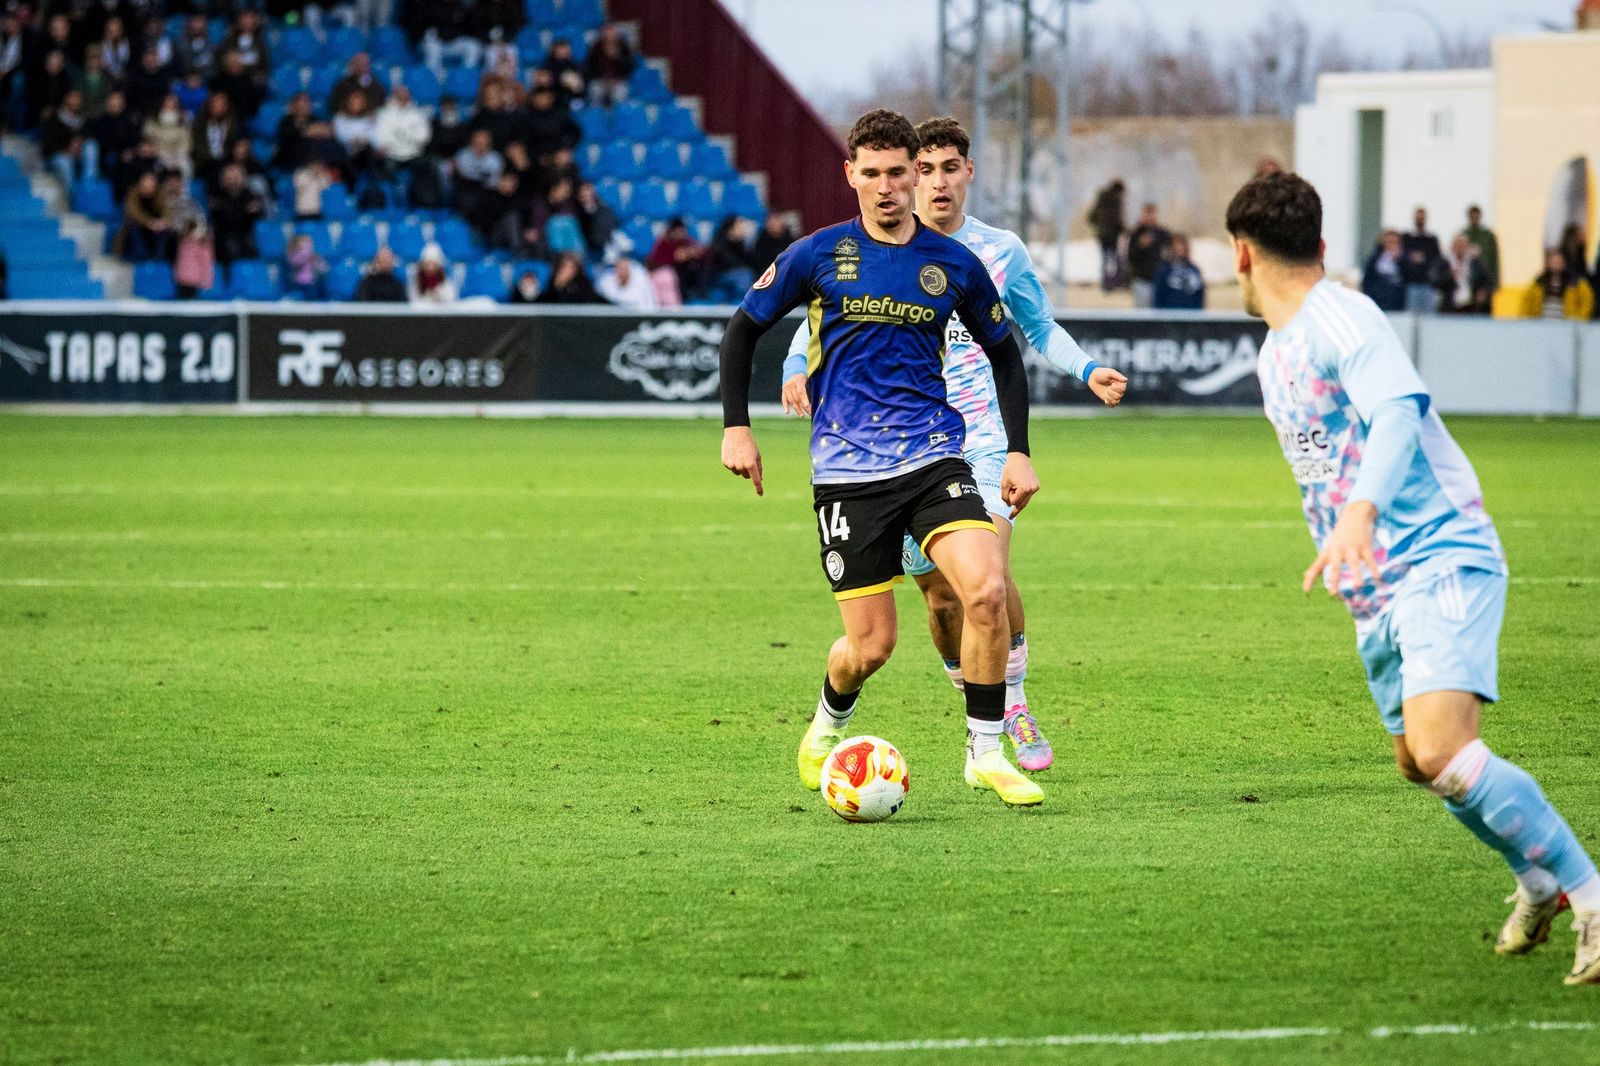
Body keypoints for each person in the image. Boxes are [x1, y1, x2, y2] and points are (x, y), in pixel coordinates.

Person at [1225, 169, 1600, 987]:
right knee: (1418, 761)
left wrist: (1360, 512)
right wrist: (1348, 534)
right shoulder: (1274, 356)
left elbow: (1397, 408)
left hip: (1438, 553)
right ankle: (1538, 881)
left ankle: (1589, 892)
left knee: (1443, 746)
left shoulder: (1342, 315)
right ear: (1317, 244)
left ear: (1241, 254)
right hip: (1373, 591)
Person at [719, 109, 1048, 807]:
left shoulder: (952, 262)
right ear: (852, 176)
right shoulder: (816, 254)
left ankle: (985, 752)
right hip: (847, 477)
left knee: (985, 590)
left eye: (900, 171)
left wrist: (1017, 452)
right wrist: (736, 428)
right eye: (872, 173)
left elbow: (1006, 357)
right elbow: (743, 330)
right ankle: (827, 721)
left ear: (914, 171)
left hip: (935, 460)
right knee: (868, 649)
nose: (889, 186)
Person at [781, 115, 1127, 774]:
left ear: (968, 172)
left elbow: (1037, 326)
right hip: (901, 447)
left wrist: (1086, 369)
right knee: (940, 597)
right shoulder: (870, 253)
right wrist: (794, 371)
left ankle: (1012, 706)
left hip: (985, 438)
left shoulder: (998, 252)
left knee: (987, 578)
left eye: (949, 168)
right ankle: (973, 691)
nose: (937, 183)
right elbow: (815, 327)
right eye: (927, 169)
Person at [209, 162, 266, 269]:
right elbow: (224, 216)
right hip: (225, 237)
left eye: (236, 176)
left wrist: (238, 210)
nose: (233, 180)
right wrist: (244, 210)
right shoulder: (217, 195)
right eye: (230, 177)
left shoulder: (250, 194)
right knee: (231, 247)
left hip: (246, 236)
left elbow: (259, 213)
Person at [1520, 249, 1594, 321]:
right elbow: (1527, 303)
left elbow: (1587, 301)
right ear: (1548, 263)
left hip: (1567, 325)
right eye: (1554, 262)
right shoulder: (1538, 282)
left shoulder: (1575, 282)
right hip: (1542, 325)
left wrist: (1579, 319)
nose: (1557, 264)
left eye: (1559, 262)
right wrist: (1528, 321)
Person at [1126, 201, 1171, 309]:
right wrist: (1140, 246)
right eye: (1147, 213)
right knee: (1142, 313)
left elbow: (1171, 251)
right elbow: (1130, 257)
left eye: (1152, 213)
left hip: (1159, 279)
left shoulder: (1163, 233)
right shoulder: (1136, 233)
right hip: (1142, 280)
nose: (1150, 217)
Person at [1399, 206, 1443, 313]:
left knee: (1429, 316)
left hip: (1427, 283)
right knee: (1411, 315)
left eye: (1422, 217)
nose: (1420, 220)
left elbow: (1437, 258)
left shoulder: (1432, 239)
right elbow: (1401, 256)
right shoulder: (1406, 238)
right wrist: (1411, 257)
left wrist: (1424, 258)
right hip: (1411, 283)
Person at [1087, 178, 1125, 291]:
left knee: (1104, 260)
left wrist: (1098, 229)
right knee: (1112, 260)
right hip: (1112, 235)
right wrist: (1123, 230)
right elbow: (1117, 219)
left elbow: (1092, 217)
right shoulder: (1116, 201)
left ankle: (1104, 284)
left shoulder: (1101, 199)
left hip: (1103, 235)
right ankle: (1111, 283)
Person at [583, 23, 635, 106]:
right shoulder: (595, 47)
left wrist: (618, 57)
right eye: (606, 31)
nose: (609, 34)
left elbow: (629, 66)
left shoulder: (623, 47)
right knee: (595, 90)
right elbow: (589, 67)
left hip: (618, 81)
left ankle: (618, 115)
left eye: (611, 31)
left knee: (620, 92)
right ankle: (597, 115)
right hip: (599, 80)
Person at [1440, 234, 1491, 315]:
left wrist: (1483, 291)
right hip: (1451, 307)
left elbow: (1487, 280)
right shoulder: (1445, 262)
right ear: (1453, 247)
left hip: (1471, 306)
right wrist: (1449, 274)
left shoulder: (1475, 263)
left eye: (1463, 245)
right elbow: (1436, 280)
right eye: (1458, 245)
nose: (1460, 248)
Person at [1152, 233, 1205, 310]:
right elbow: (1158, 296)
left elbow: (1199, 294)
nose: (1179, 250)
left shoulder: (1194, 270)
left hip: (1191, 314)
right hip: (1170, 315)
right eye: (1176, 247)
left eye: (1182, 247)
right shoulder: (1164, 270)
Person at [1360, 230, 1405, 312]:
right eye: (1389, 241)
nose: (1391, 245)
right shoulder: (1375, 257)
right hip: (1377, 298)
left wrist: (1400, 260)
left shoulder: (1403, 259)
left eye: (1394, 242)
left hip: (1394, 301)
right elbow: (1368, 278)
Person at [172, 218, 215, 298]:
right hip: (181, 279)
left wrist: (206, 281)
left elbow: (206, 264)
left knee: (190, 301)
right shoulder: (182, 243)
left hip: (194, 281)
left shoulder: (203, 247)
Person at [536, 252, 604, 304]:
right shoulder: (550, 281)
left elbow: (589, 298)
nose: (568, 270)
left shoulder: (583, 283)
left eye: (571, 267)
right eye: (564, 266)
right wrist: (560, 280)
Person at [1461, 205, 1499, 293]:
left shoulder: (1488, 236)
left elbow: (1494, 259)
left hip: (1486, 279)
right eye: (1472, 216)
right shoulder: (1464, 235)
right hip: (1469, 279)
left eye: (1476, 216)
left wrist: (1496, 282)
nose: (1474, 218)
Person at [284, 233, 328, 300]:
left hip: (311, 284)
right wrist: (305, 257)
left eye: (308, 246)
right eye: (303, 247)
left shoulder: (315, 257)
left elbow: (324, 269)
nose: (307, 249)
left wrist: (319, 264)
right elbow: (294, 263)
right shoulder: (293, 255)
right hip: (297, 284)